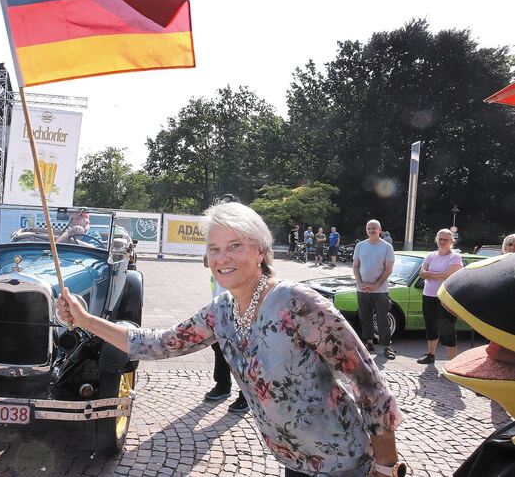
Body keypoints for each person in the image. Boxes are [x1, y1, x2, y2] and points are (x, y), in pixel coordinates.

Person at [57, 202, 405, 477]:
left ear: (260, 251)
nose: (222, 258)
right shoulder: (220, 311)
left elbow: (367, 383)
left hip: (344, 462)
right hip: (294, 462)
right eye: (214, 249)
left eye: (235, 246)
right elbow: (155, 343)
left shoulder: (297, 303)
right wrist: (86, 320)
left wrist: (386, 467)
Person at [203, 193, 249, 413]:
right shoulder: (217, 234)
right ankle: (222, 384)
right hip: (220, 300)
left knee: (241, 347)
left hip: (242, 300)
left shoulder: (246, 234)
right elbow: (206, 261)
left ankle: (246, 394)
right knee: (218, 343)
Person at [417, 229, 463, 364]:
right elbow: (421, 273)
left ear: (451, 242)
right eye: (440, 239)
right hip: (429, 295)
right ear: (436, 240)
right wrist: (437, 275)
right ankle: (430, 355)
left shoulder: (454, 257)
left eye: (446, 240)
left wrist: (430, 274)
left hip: (446, 297)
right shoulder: (430, 256)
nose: (442, 242)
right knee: (430, 325)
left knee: (447, 328)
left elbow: (449, 275)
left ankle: (453, 362)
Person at [353, 219, 397, 360]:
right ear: (366, 230)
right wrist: (360, 282)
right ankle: (368, 342)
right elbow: (355, 266)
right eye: (369, 228)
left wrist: (377, 284)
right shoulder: (360, 246)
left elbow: (388, 269)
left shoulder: (387, 247)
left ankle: (386, 347)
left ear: (380, 230)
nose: (371, 230)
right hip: (363, 289)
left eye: (374, 228)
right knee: (364, 317)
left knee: (382, 319)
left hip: (381, 291)